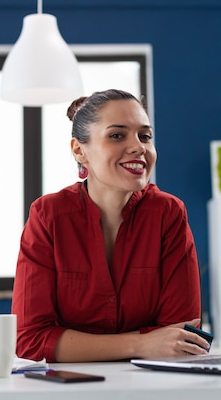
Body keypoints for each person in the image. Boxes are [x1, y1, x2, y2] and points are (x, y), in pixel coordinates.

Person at [11, 89, 206, 362]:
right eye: (117, 135)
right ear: (80, 151)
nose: (139, 147)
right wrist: (141, 344)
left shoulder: (168, 213)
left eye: (145, 136)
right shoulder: (48, 216)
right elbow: (30, 339)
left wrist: (71, 342)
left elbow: (183, 335)